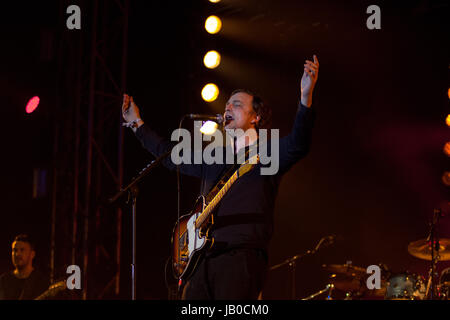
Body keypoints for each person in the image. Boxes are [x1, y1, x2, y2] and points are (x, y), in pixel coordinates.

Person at [122, 55, 319, 299]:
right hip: (201, 258)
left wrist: (305, 98)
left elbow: (299, 143)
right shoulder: (213, 156)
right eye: (226, 104)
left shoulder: (268, 154)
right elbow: (169, 156)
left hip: (240, 257)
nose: (227, 107)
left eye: (236, 104)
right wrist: (137, 124)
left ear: (255, 117)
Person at [0, 234, 49, 300]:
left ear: (32, 254)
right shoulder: (3, 280)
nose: (17, 254)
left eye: (22, 250)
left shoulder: (41, 282)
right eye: (15, 250)